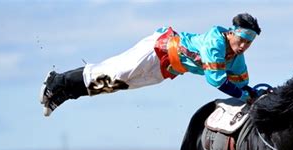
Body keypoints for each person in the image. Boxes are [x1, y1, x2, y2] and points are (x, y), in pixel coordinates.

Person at [39, 13, 261, 116]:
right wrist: (244, 95)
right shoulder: (215, 42)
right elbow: (216, 80)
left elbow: (241, 84)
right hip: (158, 49)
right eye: (241, 40)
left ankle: (66, 94)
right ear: (231, 32)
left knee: (115, 84)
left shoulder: (237, 59)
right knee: (113, 71)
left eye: (248, 43)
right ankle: (57, 80)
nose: (242, 46)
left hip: (167, 69)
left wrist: (251, 92)